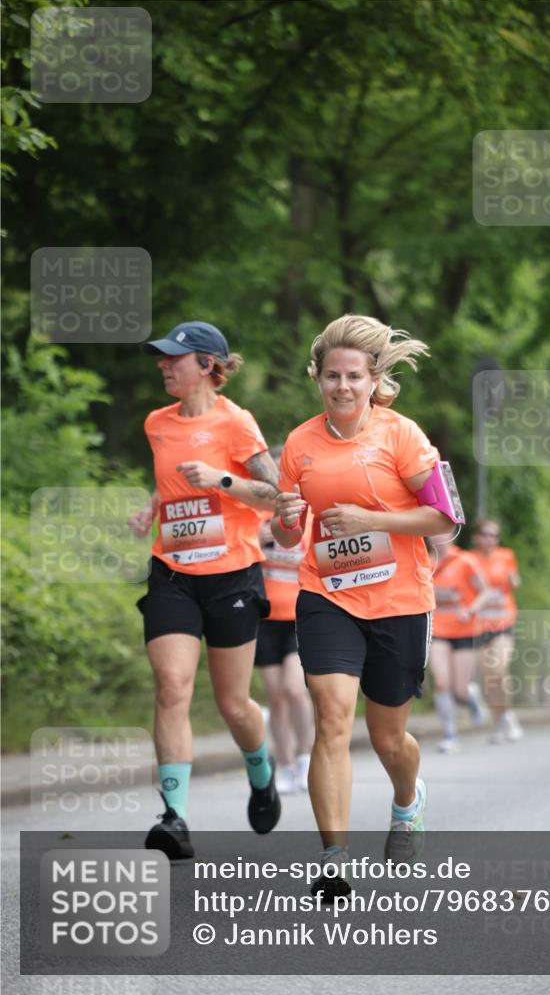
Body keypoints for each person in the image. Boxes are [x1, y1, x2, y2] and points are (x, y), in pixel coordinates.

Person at [271, 314, 455, 900]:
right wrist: (283, 520)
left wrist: (370, 520)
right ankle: (333, 858)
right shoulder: (300, 443)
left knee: (387, 739)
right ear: (318, 379)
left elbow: (446, 520)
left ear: (374, 379)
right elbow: (285, 537)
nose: (342, 387)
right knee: (330, 717)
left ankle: (407, 802)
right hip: (327, 594)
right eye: (331, 376)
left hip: (401, 598)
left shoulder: (402, 435)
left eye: (354, 376)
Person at [128, 321, 281, 859]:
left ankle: (260, 771)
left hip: (232, 575)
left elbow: (274, 495)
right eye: (162, 358)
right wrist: (155, 503)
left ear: (208, 367)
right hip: (172, 572)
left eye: (175, 358)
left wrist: (220, 479)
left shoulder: (236, 423)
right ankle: (174, 818)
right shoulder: (157, 423)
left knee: (233, 703)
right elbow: (172, 475)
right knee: (171, 687)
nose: (164, 365)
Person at [255, 448, 314, 794]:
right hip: (264, 617)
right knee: (275, 696)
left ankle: (305, 759)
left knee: (294, 689)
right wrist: (254, 541)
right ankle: (286, 763)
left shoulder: (306, 517)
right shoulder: (256, 518)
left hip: (299, 616)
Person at [429, 534, 490, 753]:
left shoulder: (465, 561)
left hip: (464, 630)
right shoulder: (425, 561)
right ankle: (450, 734)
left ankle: (471, 698)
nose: (436, 537)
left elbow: (485, 591)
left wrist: (471, 609)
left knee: (460, 690)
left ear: (451, 532)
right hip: (438, 630)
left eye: (441, 532)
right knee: (442, 682)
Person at [471, 519, 524, 744]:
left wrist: (513, 579)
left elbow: (516, 580)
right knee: (488, 678)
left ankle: (508, 716)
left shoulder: (506, 556)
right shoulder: (469, 560)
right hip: (480, 625)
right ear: (476, 537)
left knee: (499, 669)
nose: (490, 539)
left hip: (503, 622)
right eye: (486, 534)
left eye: (494, 535)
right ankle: (499, 720)